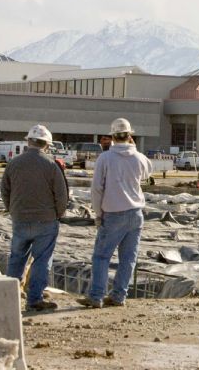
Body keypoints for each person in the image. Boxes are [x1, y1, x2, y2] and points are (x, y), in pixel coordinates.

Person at [78, 118, 152, 309]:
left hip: (113, 213)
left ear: (112, 137)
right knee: (128, 259)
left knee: (101, 257)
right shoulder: (138, 158)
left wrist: (98, 213)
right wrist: (133, 147)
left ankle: (96, 297)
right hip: (136, 214)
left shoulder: (105, 158)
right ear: (129, 136)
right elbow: (147, 172)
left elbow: (97, 189)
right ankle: (119, 296)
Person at [1, 125, 68, 311]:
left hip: (20, 219)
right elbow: (61, 196)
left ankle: (8, 301)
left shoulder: (14, 163)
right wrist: (58, 214)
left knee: (16, 259)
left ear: (28, 141)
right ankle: (34, 300)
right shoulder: (51, 165)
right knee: (41, 260)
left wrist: (12, 209)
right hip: (46, 221)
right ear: (47, 144)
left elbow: (4, 190)